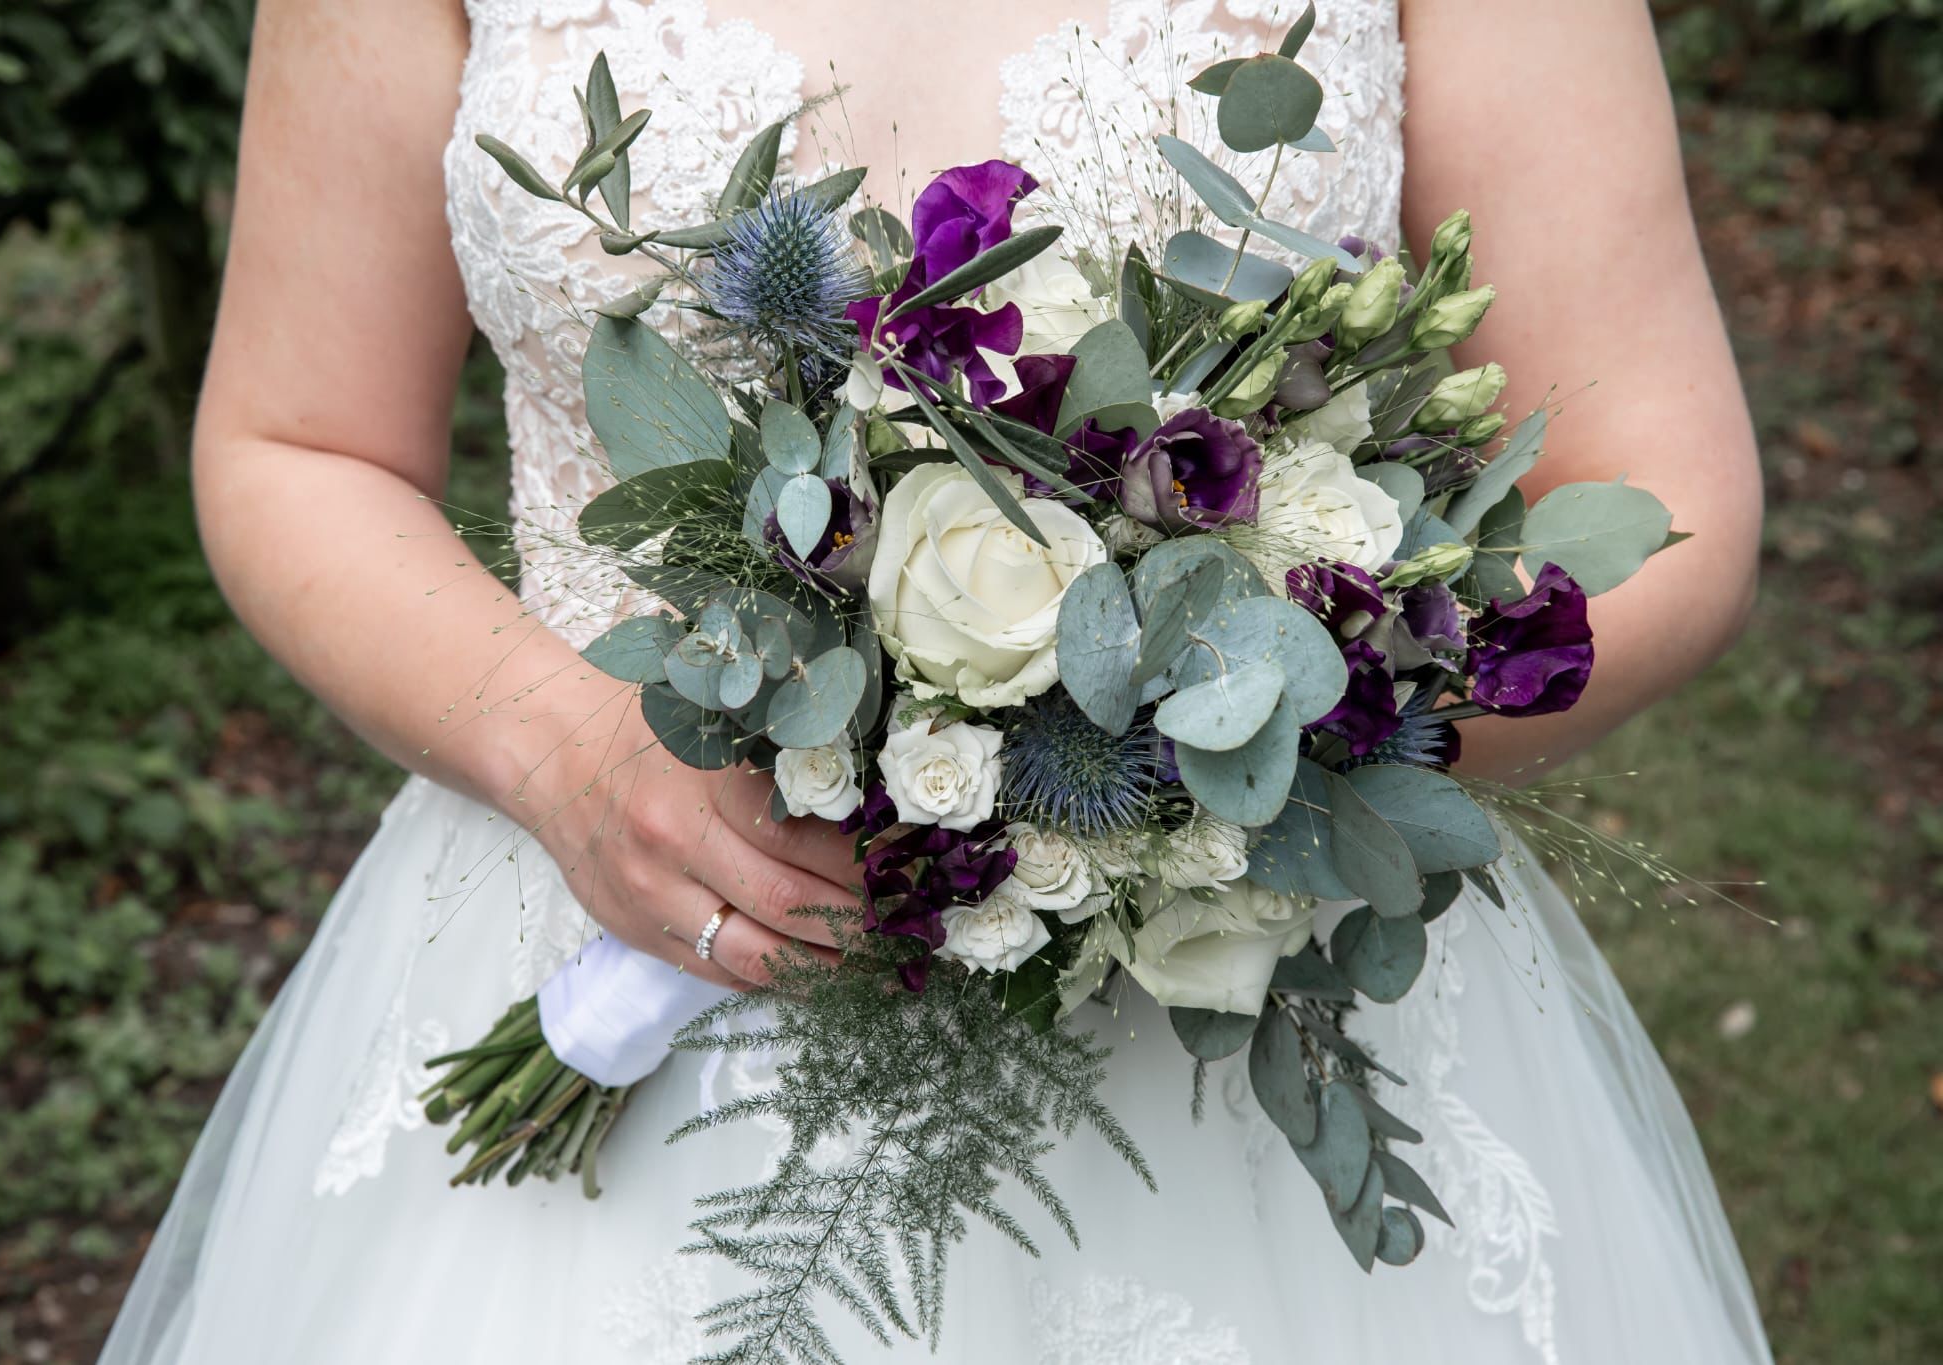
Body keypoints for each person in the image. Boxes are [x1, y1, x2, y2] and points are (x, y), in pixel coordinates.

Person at [99, 0, 1774, 1360]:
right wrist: (560, 748)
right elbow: (295, 439)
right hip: (615, 926)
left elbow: (1656, 482)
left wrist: (1223, 775)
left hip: (1241, 1000)